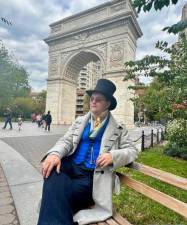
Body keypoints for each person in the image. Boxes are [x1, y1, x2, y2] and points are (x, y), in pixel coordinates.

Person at [37, 79, 138, 225]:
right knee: (51, 172)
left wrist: (113, 156)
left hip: (91, 176)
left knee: (57, 194)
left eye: (98, 100)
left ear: (108, 104)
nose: (93, 102)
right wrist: (55, 154)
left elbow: (132, 151)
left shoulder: (119, 128)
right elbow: (66, 141)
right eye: (92, 99)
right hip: (70, 166)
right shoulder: (79, 121)